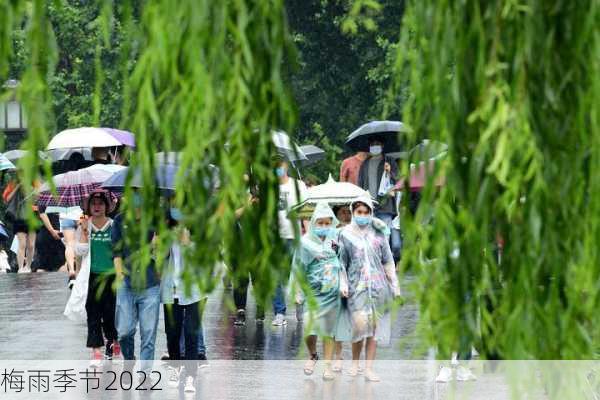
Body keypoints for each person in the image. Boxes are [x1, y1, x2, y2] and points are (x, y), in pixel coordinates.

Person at [338, 196, 401, 382]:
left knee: (374, 329)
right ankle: (355, 363)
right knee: (359, 326)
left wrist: (395, 286)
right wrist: (342, 284)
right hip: (356, 287)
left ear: (370, 213)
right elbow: (341, 263)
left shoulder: (379, 233)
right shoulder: (345, 234)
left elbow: (388, 261)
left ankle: (369, 368)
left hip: (378, 287)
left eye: (366, 212)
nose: (363, 216)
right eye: (359, 212)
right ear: (353, 212)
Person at [290, 202, 351, 380]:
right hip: (313, 293)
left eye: (327, 223)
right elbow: (297, 267)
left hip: (332, 293)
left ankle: (328, 366)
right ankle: (312, 355)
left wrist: (343, 285)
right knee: (310, 328)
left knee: (328, 331)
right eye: (320, 223)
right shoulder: (305, 242)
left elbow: (342, 264)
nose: (324, 227)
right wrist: (297, 291)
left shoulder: (336, 240)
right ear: (314, 222)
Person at [64, 189, 119, 367]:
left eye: (100, 203)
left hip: (112, 277)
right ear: (88, 206)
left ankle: (112, 344)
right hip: (92, 277)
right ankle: (96, 350)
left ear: (106, 206)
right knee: (93, 314)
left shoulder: (114, 225)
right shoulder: (84, 225)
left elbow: (119, 250)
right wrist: (86, 233)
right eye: (93, 204)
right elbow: (80, 252)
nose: (97, 207)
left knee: (110, 314)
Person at [112, 192, 161, 384]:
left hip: (150, 284)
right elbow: (116, 251)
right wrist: (119, 275)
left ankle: (145, 374)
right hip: (126, 282)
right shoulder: (119, 220)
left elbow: (162, 251)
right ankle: (129, 358)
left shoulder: (154, 220)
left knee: (148, 332)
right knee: (124, 331)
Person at [160, 207, 203, 393]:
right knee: (172, 332)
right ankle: (176, 367)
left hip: (195, 290)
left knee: (192, 333)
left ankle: (191, 375)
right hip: (171, 290)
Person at [274, 159, 309, 326]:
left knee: (296, 273)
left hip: (294, 236)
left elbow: (305, 211)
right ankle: (279, 312)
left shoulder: (299, 186)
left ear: (286, 166)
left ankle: (299, 303)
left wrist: (308, 233)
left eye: (280, 166)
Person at [357, 139, 401, 260]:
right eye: (372, 144)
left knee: (384, 238)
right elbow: (360, 184)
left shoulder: (389, 161)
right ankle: (373, 263)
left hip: (385, 205)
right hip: (368, 206)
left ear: (382, 145)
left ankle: (384, 264)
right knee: (369, 237)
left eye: (377, 144)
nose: (374, 146)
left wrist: (390, 171)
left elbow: (399, 181)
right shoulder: (365, 163)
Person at [3, 177, 35, 273]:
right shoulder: (13, 183)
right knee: (22, 244)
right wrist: (18, 186)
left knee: (31, 245)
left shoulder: (33, 181)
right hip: (19, 217)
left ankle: (28, 267)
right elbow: (7, 199)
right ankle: (21, 268)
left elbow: (38, 197)